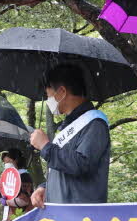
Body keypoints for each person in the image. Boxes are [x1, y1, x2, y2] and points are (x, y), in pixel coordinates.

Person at [30, 64, 110, 207]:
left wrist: (45, 146)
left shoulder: (95, 124)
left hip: (82, 217)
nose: (48, 101)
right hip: (63, 214)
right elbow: (64, 167)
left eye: (48, 95)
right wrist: (45, 187)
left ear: (61, 92)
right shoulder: (68, 125)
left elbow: (81, 165)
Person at [0, 150, 34, 221]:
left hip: (22, 216)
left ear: (16, 160)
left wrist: (7, 202)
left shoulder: (24, 176)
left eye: (8, 162)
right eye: (4, 162)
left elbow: (25, 200)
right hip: (9, 215)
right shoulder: (4, 176)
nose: (6, 164)